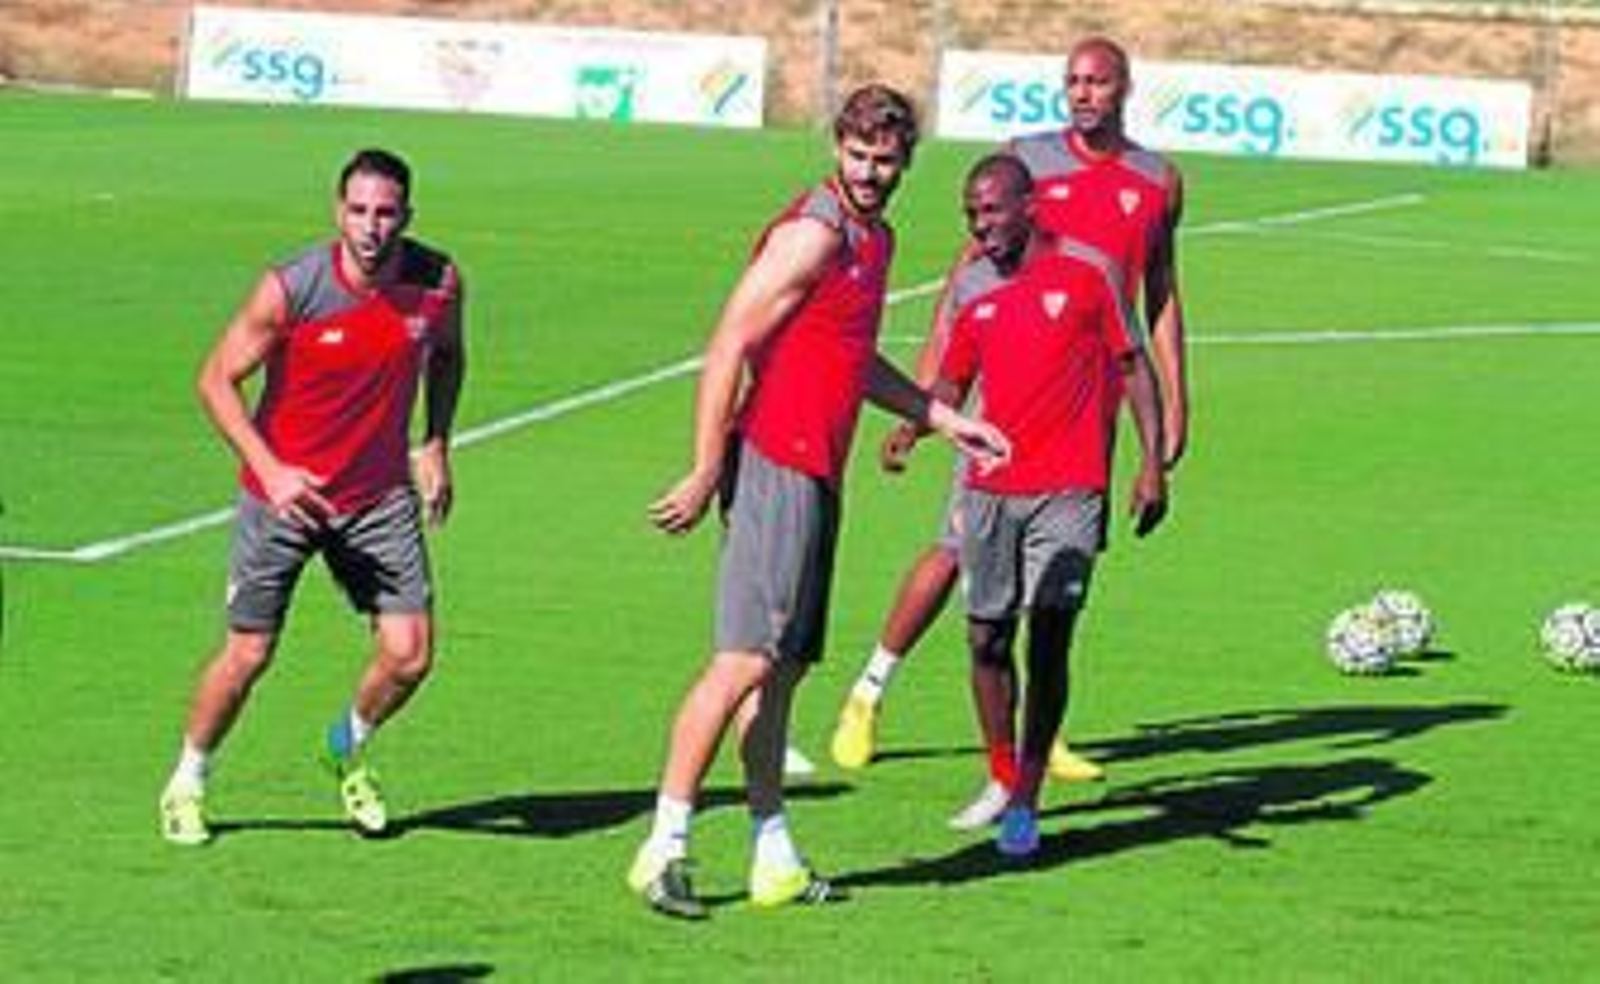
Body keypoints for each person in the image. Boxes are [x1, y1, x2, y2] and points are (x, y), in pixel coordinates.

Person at [626, 84, 1009, 920]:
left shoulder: (874, 237)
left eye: (886, 161)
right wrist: (702, 469)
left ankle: (773, 855)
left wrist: (945, 417)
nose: (870, 173)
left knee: (786, 668)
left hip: (819, 470)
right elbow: (728, 340)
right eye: (859, 156)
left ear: (906, 162)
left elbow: (853, 358)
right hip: (775, 461)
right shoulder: (814, 234)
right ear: (837, 146)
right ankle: (664, 847)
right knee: (742, 661)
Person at [829, 35, 1188, 787]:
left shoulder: (1157, 181)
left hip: (1089, 404)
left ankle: (1036, 739)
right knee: (956, 548)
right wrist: (927, 400)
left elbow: (1159, 294)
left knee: (1053, 576)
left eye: (1097, 82)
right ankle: (868, 693)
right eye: (1072, 81)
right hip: (1000, 402)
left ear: (1125, 88)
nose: (1083, 93)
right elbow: (966, 279)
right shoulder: (1026, 159)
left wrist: (1176, 400)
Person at [156, 148, 466, 846]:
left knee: (410, 653)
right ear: (338, 213)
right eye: (358, 210)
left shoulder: (438, 283)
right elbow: (214, 380)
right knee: (248, 655)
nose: (371, 226)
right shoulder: (291, 289)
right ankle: (188, 780)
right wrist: (271, 471)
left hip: (378, 498)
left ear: (406, 216)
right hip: (284, 499)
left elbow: (448, 355)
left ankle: (345, 747)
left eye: (386, 212)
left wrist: (436, 440)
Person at [936, 153, 1166, 855]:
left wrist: (1153, 463)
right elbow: (952, 380)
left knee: (1051, 633)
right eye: (971, 214)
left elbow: (1132, 366)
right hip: (989, 488)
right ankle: (1001, 773)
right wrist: (911, 426)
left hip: (1070, 487)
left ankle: (1027, 796)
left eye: (992, 211)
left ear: (1029, 205)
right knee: (986, 637)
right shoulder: (973, 284)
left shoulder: (1089, 271)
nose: (981, 226)